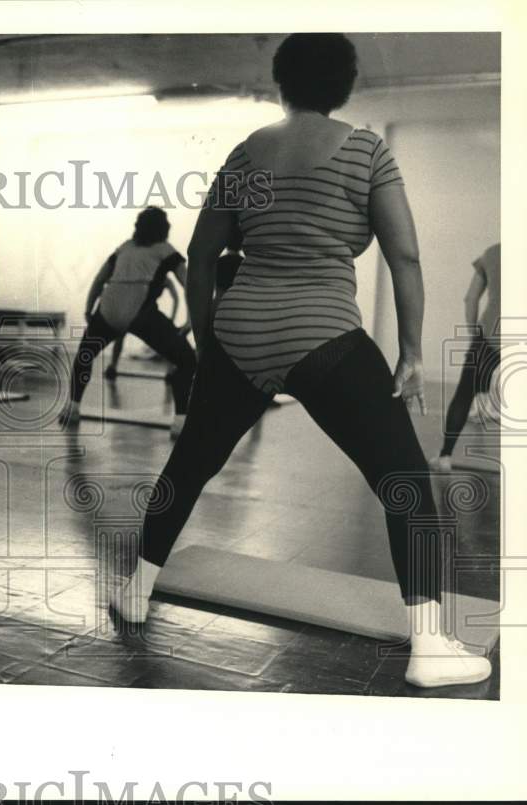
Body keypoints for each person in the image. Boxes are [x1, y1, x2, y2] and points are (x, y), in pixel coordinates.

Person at [111, 34, 490, 689]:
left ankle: (135, 590)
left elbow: (202, 258)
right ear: (345, 84)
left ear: (281, 83)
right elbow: (405, 259)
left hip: (241, 333)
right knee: (405, 480)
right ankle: (429, 647)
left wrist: (208, 342)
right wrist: (407, 353)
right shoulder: (367, 149)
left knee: (190, 464)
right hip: (326, 337)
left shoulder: (244, 153)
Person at [60, 207, 197, 438]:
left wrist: (88, 308)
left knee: (84, 355)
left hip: (107, 309)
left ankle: (72, 408)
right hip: (140, 313)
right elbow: (190, 285)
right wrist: (192, 320)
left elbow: (100, 279)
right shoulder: (165, 250)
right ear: (164, 228)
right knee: (186, 360)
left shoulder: (125, 247)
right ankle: (180, 421)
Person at [429, 243, 501, 471]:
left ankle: (444, 457)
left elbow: (470, 298)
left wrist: (474, 333)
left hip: (490, 335)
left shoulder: (493, 252)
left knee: (464, 394)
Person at [104, 276, 181, 380]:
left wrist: (172, 318)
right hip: (135, 312)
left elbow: (176, 298)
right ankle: (113, 366)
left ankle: (170, 371)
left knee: (168, 337)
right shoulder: (146, 275)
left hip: (148, 314)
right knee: (120, 334)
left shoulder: (165, 279)